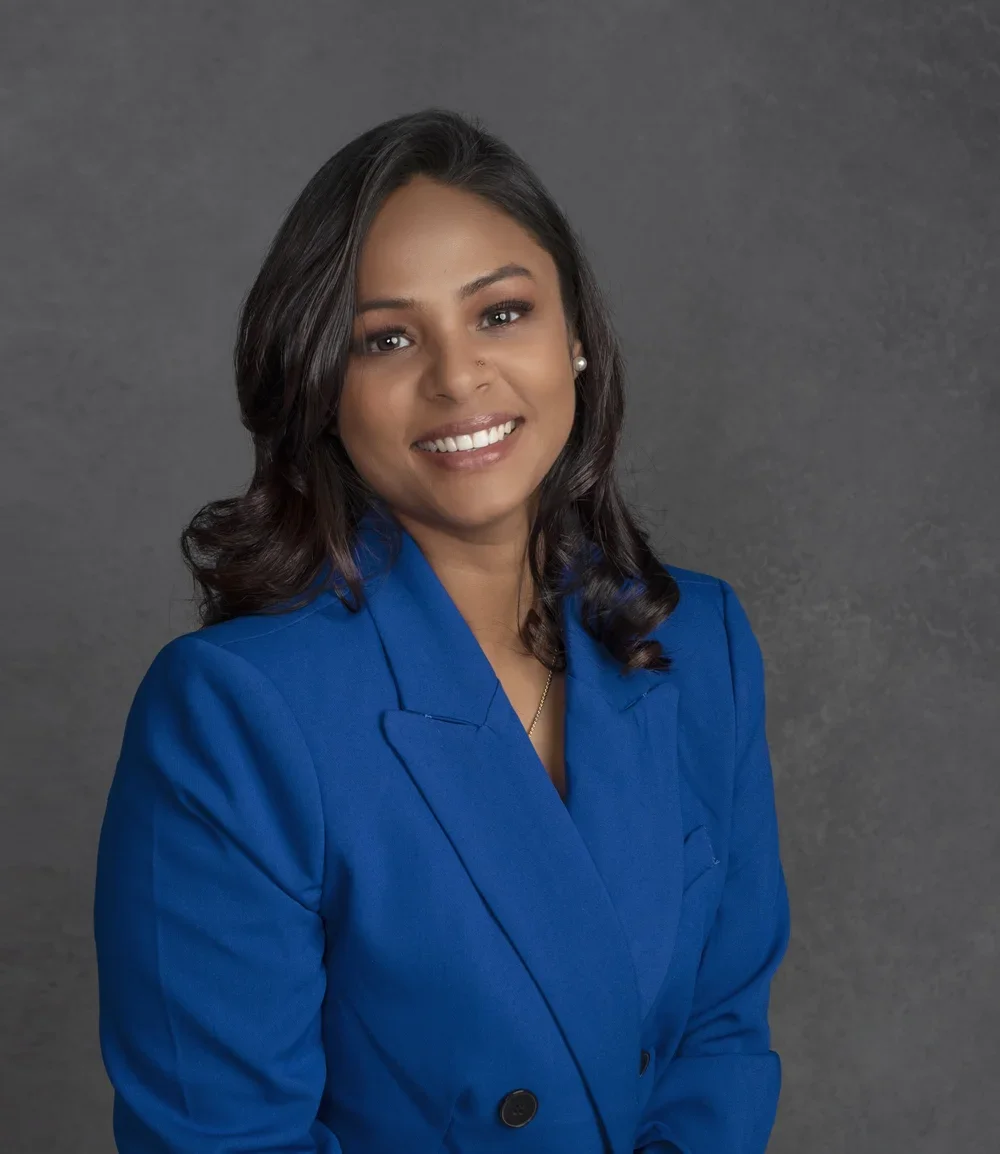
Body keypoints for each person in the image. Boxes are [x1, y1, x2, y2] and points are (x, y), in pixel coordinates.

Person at [93, 107, 791, 1154]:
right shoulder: (235, 711)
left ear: (575, 340)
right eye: (386, 338)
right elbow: (225, 1141)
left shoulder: (701, 643)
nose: (457, 377)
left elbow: (719, 1038)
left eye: (501, 313)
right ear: (322, 388)